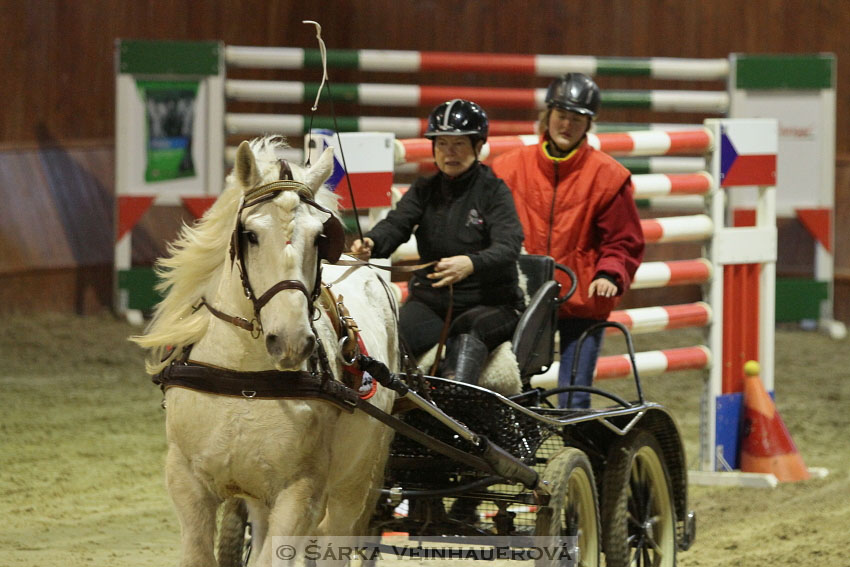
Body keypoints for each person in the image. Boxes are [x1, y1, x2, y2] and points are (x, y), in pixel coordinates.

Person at [492, 73, 645, 409]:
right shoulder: (508, 167)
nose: (567, 125)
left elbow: (623, 240)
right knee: (512, 390)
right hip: (522, 298)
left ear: (589, 124)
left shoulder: (609, 176)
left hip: (582, 300)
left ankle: (577, 456)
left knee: (575, 397)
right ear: (548, 116)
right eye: (562, 116)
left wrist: (609, 273)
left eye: (577, 119)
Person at [351, 99, 525, 386]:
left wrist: (471, 263)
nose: (449, 153)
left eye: (458, 144)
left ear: (478, 146)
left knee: (464, 342)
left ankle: (460, 419)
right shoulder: (424, 189)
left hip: (490, 303)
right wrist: (371, 241)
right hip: (431, 301)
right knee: (388, 344)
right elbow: (397, 223)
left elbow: (509, 246)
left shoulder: (494, 190)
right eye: (442, 144)